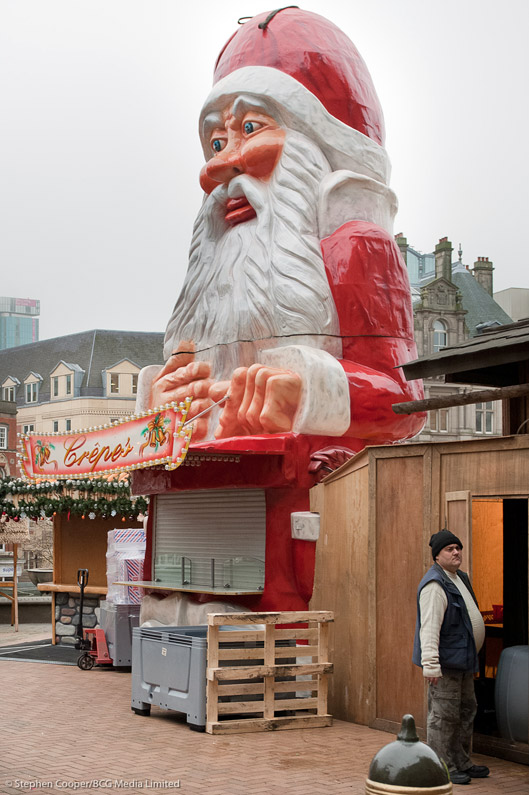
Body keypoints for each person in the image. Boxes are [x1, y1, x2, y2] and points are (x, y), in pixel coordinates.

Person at [139, 8, 425, 447]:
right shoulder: (210, 271)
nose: (222, 164)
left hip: (316, 498)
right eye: (216, 141)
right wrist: (160, 413)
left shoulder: (356, 246)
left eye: (251, 128)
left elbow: (406, 403)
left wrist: (309, 392)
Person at [413, 529, 490, 785]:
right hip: (445, 666)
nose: (456, 552)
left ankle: (462, 762)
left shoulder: (459, 578)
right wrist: (431, 666)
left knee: (466, 711)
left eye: (458, 547)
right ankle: (442, 767)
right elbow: (430, 627)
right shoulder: (435, 585)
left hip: (464, 662)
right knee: (443, 717)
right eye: (449, 549)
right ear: (437, 556)